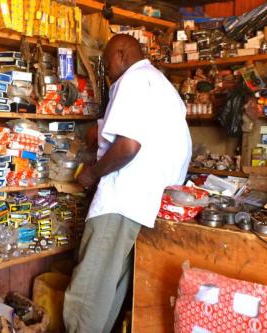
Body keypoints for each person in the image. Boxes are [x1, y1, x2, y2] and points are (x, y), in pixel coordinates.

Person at [63, 34, 192, 333]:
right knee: (112, 285)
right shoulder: (160, 84)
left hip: (124, 198)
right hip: (149, 201)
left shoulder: (133, 81)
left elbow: (129, 145)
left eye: (107, 62)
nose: (106, 71)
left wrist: (92, 173)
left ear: (121, 53)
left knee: (90, 286)